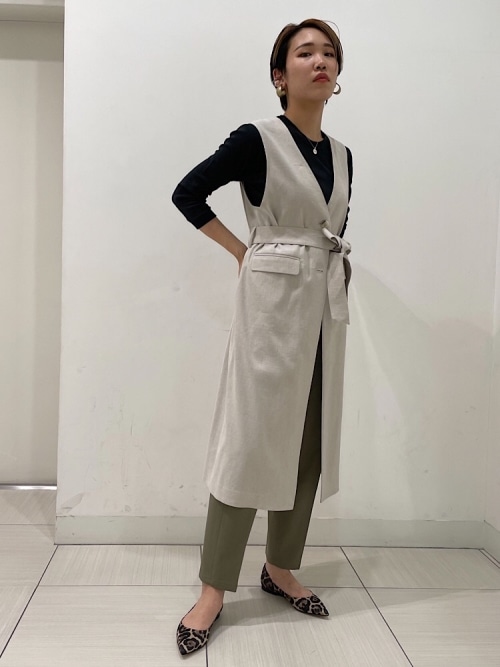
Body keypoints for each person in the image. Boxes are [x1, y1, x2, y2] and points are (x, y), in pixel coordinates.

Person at [172, 17, 353, 656]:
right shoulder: (258, 139)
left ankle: (279, 567)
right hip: (272, 303)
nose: (319, 61)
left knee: (307, 441)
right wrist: (241, 251)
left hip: (323, 306)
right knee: (249, 441)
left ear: (337, 75)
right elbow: (189, 193)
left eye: (329, 53)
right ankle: (213, 588)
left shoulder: (343, 155)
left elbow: (330, 229)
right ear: (280, 76)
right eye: (305, 53)